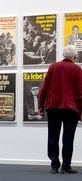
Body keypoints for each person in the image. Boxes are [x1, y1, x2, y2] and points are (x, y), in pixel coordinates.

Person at [39, 45, 82, 174]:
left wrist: (41, 106)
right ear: (74, 57)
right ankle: (66, 166)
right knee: (68, 138)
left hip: (53, 107)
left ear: (63, 55)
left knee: (52, 136)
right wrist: (81, 112)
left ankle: (54, 165)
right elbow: (80, 93)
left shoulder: (53, 67)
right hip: (71, 109)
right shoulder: (77, 69)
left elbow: (44, 89)